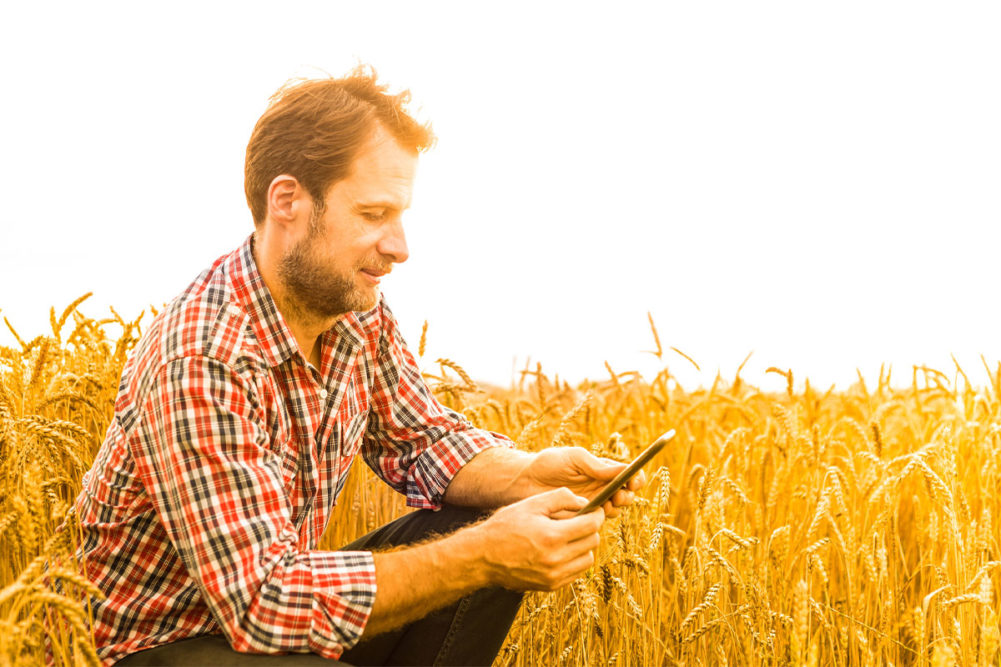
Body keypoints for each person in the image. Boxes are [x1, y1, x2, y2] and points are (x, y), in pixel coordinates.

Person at [73, 66, 645, 666]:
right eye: (374, 214)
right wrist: (483, 554)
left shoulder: (352, 313)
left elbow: (422, 440)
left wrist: (531, 475)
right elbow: (264, 604)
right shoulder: (202, 356)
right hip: (158, 646)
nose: (400, 246)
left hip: (266, 619)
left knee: (488, 512)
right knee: (478, 548)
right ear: (288, 201)